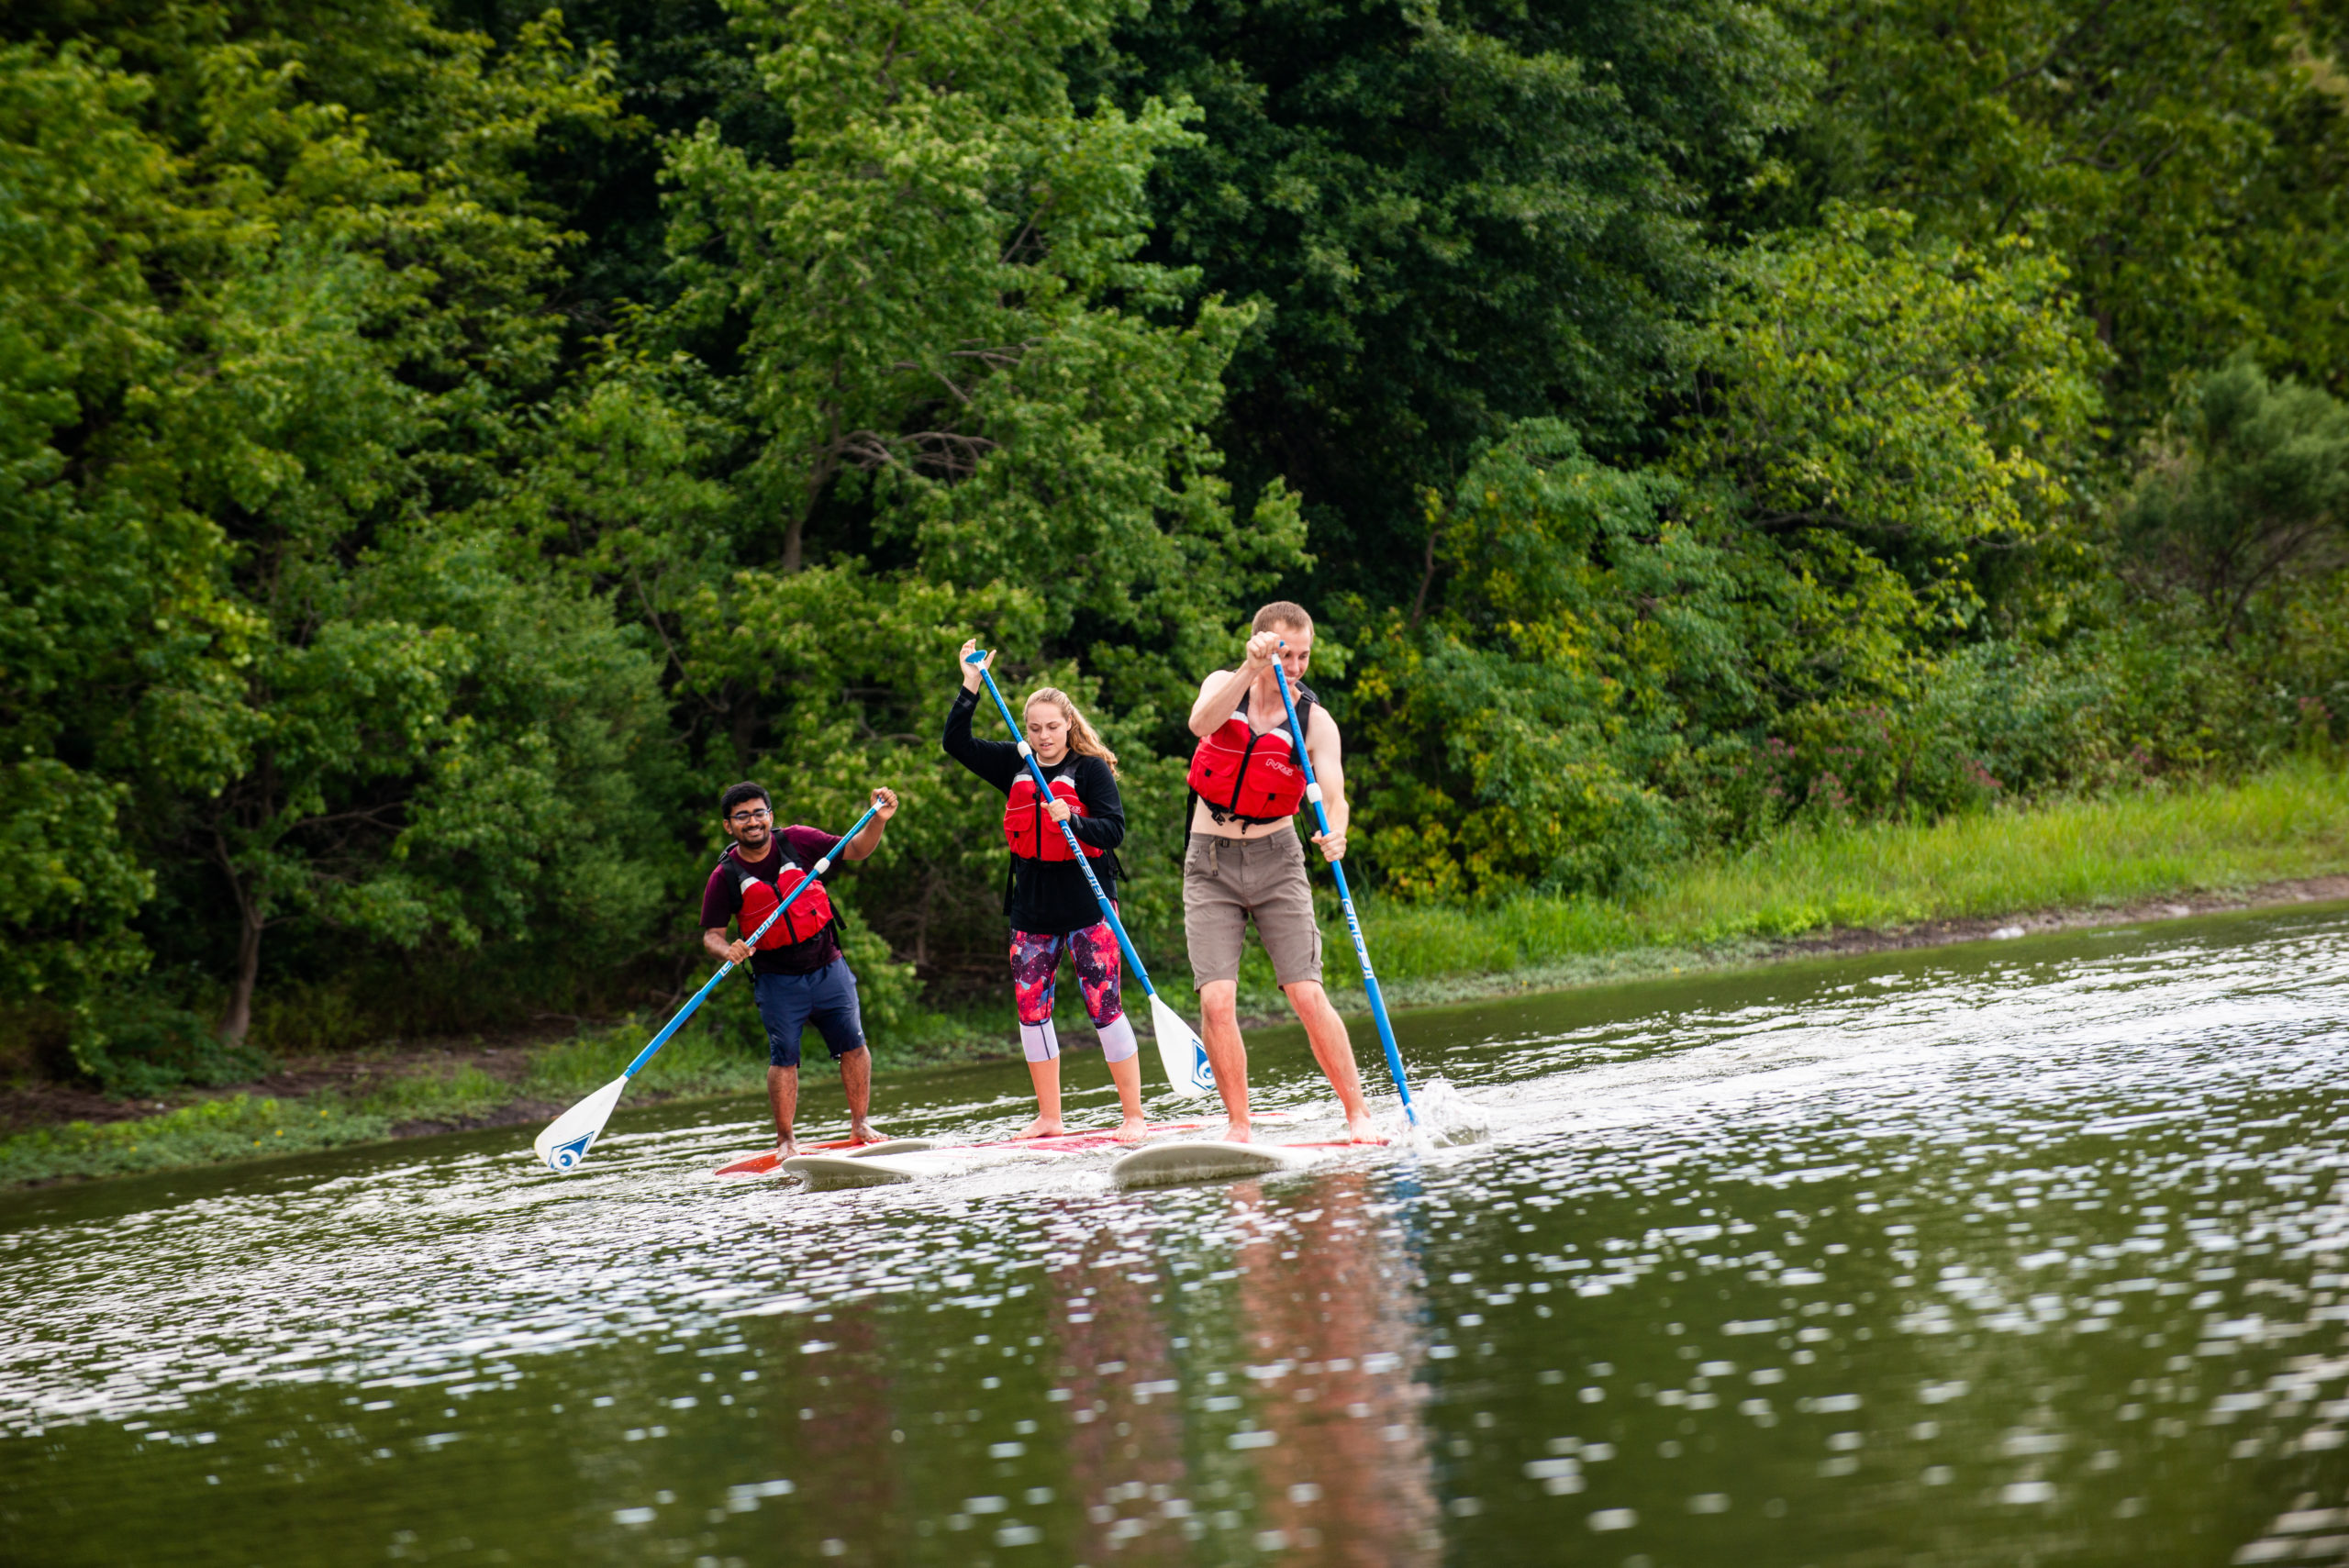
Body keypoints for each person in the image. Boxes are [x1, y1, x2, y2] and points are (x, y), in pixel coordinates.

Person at [1183, 601, 1378, 1143]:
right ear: (1260, 646)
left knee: (1306, 994)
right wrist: (1249, 669)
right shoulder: (1225, 683)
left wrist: (1336, 831)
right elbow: (1200, 723)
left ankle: (1358, 1115)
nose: (1294, 666)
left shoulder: (1315, 721)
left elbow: (1333, 795)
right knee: (1216, 1000)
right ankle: (1240, 1128)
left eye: (1304, 656)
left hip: (1278, 859)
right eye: (1284, 654)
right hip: (1211, 860)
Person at [944, 640, 1148, 1142]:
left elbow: (1115, 832)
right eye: (1034, 729)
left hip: (1089, 906)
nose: (1042, 737)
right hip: (1032, 910)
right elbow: (957, 743)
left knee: (1104, 1005)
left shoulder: (1090, 769)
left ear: (1069, 725)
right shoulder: (1016, 764)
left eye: (1052, 727)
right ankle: (1050, 1117)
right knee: (1031, 1009)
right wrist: (971, 683)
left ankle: (1134, 1117)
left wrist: (1074, 819)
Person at [702, 783, 898, 1155]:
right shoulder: (724, 876)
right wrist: (728, 949)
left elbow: (856, 849)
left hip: (827, 965)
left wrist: (879, 821)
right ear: (729, 826)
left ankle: (860, 1124)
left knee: (854, 1045)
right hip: (777, 980)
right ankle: (786, 1140)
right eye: (742, 817)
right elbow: (711, 935)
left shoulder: (799, 841)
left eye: (759, 813)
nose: (752, 822)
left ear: (770, 816)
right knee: (784, 1058)